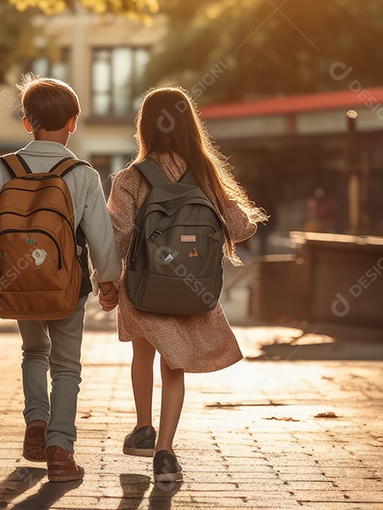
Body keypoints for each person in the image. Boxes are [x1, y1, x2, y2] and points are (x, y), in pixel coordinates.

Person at [0, 73, 122, 482]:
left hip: (17, 283)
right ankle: (60, 448)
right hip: (67, 287)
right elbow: (100, 233)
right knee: (66, 366)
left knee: (33, 353)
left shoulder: (5, 167)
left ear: (26, 122)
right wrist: (109, 279)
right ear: (73, 122)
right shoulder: (82, 173)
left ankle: (36, 420)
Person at [104, 86, 267, 483]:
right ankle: (165, 453)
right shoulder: (205, 174)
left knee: (142, 353)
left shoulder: (130, 178)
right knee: (173, 366)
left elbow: (119, 236)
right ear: (190, 126)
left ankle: (144, 428)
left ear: (144, 127)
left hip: (143, 288)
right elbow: (241, 226)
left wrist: (107, 281)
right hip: (191, 288)